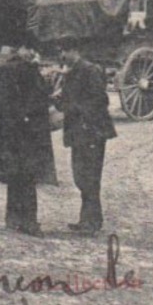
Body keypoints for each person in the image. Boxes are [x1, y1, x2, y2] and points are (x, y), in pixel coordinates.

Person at [0, 46, 58, 235]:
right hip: (27, 133)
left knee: (15, 176)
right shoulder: (26, 70)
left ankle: (12, 218)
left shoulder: (5, 69)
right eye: (28, 49)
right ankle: (29, 221)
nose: (32, 52)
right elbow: (39, 100)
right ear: (20, 49)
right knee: (28, 178)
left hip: (8, 133)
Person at [54, 46, 116, 234]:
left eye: (65, 51)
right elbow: (68, 100)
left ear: (76, 51)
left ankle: (92, 222)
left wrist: (73, 108)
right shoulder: (73, 72)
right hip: (79, 133)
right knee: (81, 177)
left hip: (92, 132)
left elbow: (100, 101)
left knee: (89, 178)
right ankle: (87, 219)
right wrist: (57, 100)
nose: (62, 56)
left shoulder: (90, 70)